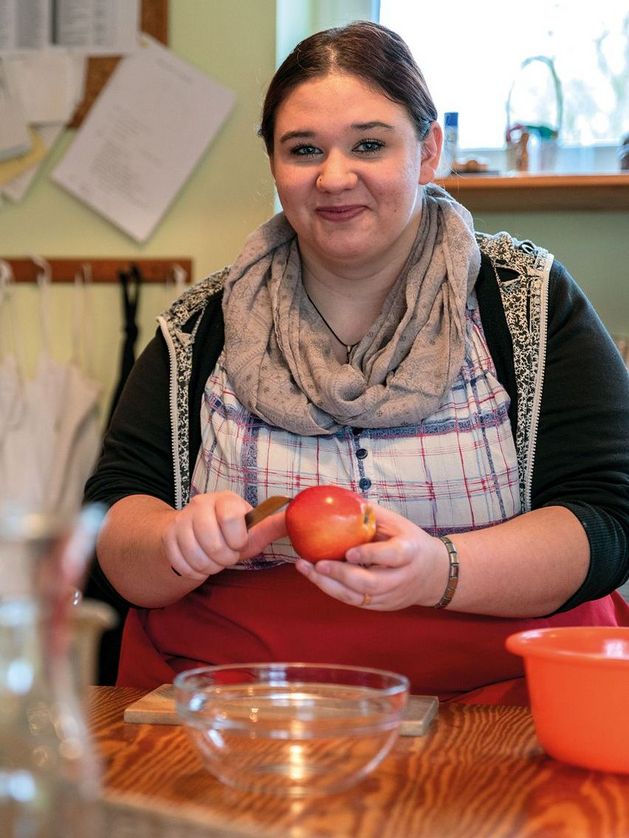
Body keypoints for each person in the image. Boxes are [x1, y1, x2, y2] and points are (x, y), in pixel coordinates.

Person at [84, 21, 629, 704]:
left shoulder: (526, 303)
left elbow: (606, 517)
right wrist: (173, 542)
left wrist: (440, 570)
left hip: (501, 709)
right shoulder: (199, 327)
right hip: (235, 706)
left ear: (427, 151)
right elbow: (110, 520)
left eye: (369, 144)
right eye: (302, 149)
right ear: (275, 165)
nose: (334, 177)